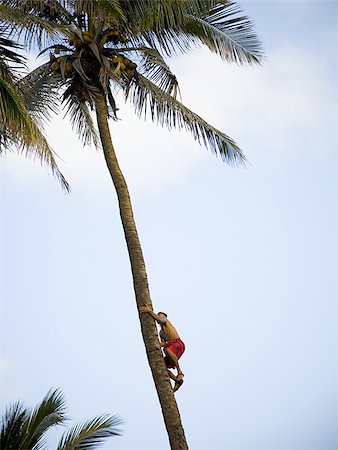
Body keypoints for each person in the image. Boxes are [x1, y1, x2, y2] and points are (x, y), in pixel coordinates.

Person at [139, 305, 185, 392]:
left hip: (178, 343)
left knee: (167, 350)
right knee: (162, 366)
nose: (159, 317)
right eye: (158, 315)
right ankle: (177, 380)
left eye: (161, 315)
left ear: (165, 316)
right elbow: (163, 343)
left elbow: (161, 320)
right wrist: (154, 344)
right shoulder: (161, 332)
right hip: (171, 347)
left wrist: (149, 311)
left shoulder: (166, 321)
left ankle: (180, 372)